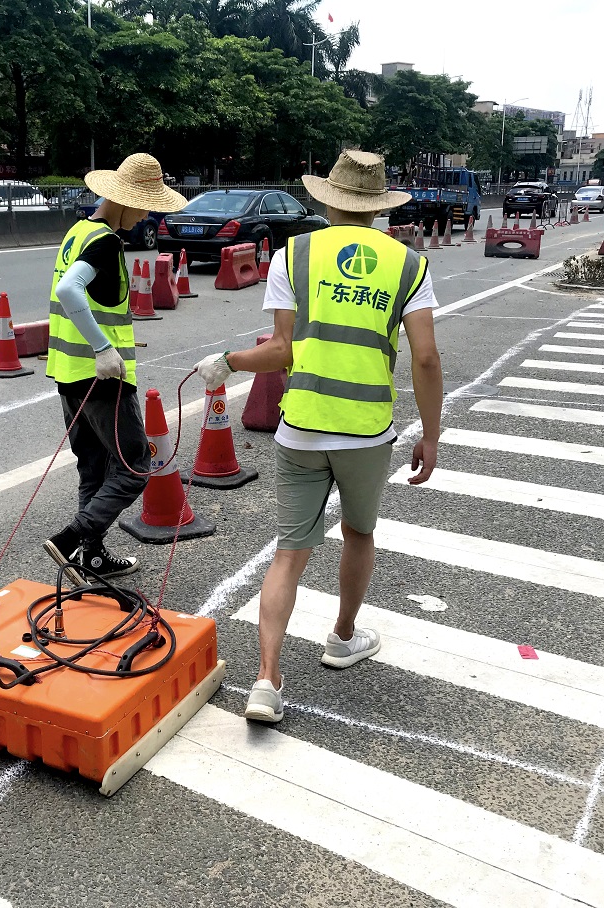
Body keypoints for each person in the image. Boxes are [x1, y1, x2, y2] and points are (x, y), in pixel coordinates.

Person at [195, 150, 443, 723]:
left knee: (289, 552)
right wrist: (430, 434)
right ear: (379, 207)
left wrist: (228, 363)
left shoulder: (293, 255)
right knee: (358, 534)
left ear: (327, 199)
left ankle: (266, 680)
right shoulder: (409, 265)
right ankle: (342, 636)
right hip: (365, 431)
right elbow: (426, 359)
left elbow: (280, 350)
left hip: (301, 427)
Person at [43, 153, 188, 584]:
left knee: (93, 466)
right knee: (135, 465)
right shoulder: (105, 241)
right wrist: (105, 347)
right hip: (101, 379)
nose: (148, 214)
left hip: (69, 375)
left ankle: (92, 556)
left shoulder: (78, 231)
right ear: (124, 200)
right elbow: (70, 290)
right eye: (145, 205)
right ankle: (73, 540)